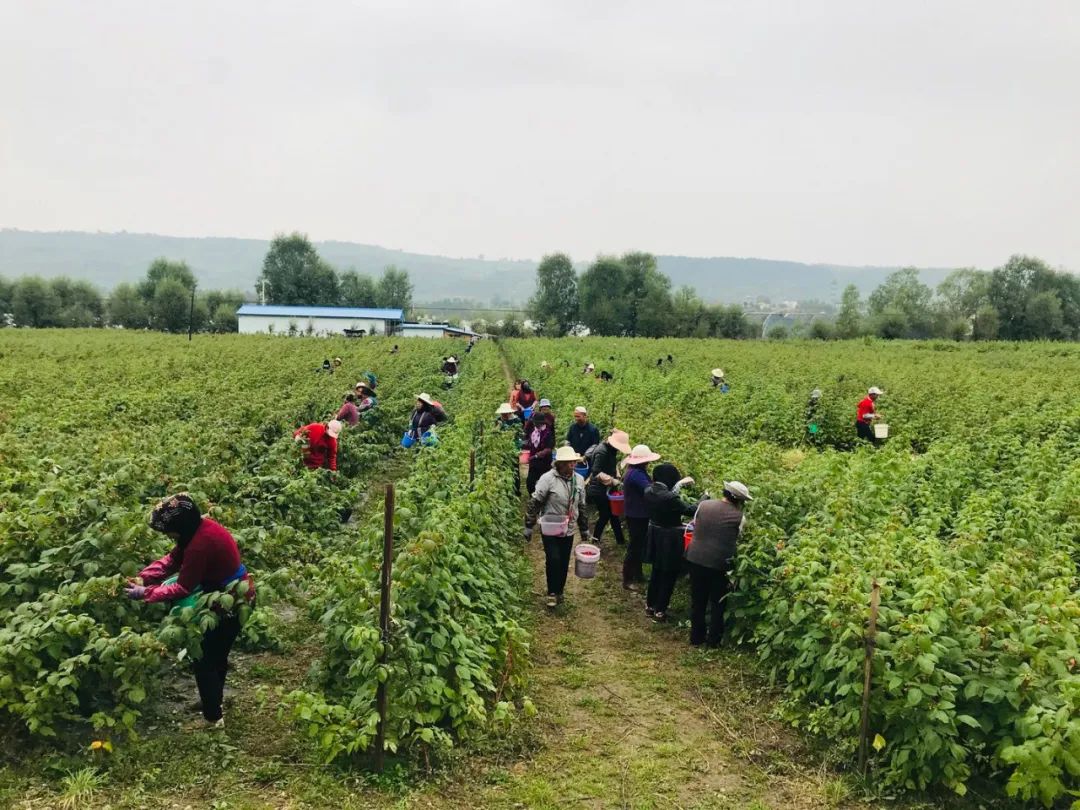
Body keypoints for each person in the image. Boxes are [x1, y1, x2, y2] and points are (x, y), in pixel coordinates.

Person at [124, 494, 255, 728]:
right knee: (216, 656)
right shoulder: (199, 530)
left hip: (229, 601)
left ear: (180, 528)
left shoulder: (199, 545)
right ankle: (214, 701)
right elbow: (173, 560)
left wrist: (145, 594)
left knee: (204, 658)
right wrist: (143, 578)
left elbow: (183, 587)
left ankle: (213, 718)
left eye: (170, 532)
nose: (169, 537)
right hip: (230, 594)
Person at [685, 481, 752, 647]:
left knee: (698, 600)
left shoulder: (704, 505)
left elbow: (696, 524)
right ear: (740, 501)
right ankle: (713, 640)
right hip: (719, 563)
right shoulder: (740, 517)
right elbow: (739, 537)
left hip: (695, 557)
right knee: (718, 602)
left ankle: (696, 637)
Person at [524, 446, 589, 609]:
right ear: (559, 464)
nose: (572, 465)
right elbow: (535, 502)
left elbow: (581, 506)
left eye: (573, 462)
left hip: (568, 528)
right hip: (551, 527)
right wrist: (529, 525)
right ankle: (552, 592)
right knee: (553, 558)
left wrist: (584, 528)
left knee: (564, 560)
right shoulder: (548, 479)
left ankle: (559, 590)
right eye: (568, 463)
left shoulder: (579, 480)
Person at [644, 463, 697, 621]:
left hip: (654, 532)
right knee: (669, 573)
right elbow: (689, 510)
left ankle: (650, 605)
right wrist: (704, 500)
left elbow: (667, 496)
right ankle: (660, 610)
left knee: (656, 571)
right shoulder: (670, 498)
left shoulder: (648, 490)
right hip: (670, 538)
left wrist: (679, 486)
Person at [620, 444, 661, 590]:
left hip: (635, 513)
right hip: (637, 514)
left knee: (638, 545)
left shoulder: (634, 471)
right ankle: (628, 578)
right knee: (635, 546)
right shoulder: (636, 474)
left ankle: (638, 574)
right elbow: (650, 490)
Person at [586, 429, 631, 546]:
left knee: (613, 515)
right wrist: (613, 481)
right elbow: (596, 471)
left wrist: (617, 475)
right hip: (598, 489)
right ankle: (595, 539)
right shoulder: (602, 451)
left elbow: (612, 464)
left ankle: (620, 540)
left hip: (606, 488)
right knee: (606, 514)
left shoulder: (610, 450)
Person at [523, 400, 556, 495]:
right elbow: (526, 437)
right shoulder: (534, 432)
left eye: (547, 408)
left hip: (544, 460)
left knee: (545, 480)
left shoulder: (547, 433)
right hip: (534, 459)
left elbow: (549, 447)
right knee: (530, 482)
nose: (536, 425)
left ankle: (544, 497)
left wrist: (538, 455)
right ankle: (533, 498)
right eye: (544, 408)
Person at [496, 402, 524, 491]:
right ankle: (505, 489)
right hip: (502, 447)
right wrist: (498, 427)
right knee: (503, 468)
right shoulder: (498, 421)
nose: (504, 415)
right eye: (502, 414)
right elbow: (495, 434)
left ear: (509, 413)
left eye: (505, 414)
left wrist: (519, 448)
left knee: (515, 468)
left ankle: (516, 490)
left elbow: (520, 435)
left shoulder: (516, 421)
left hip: (513, 447)